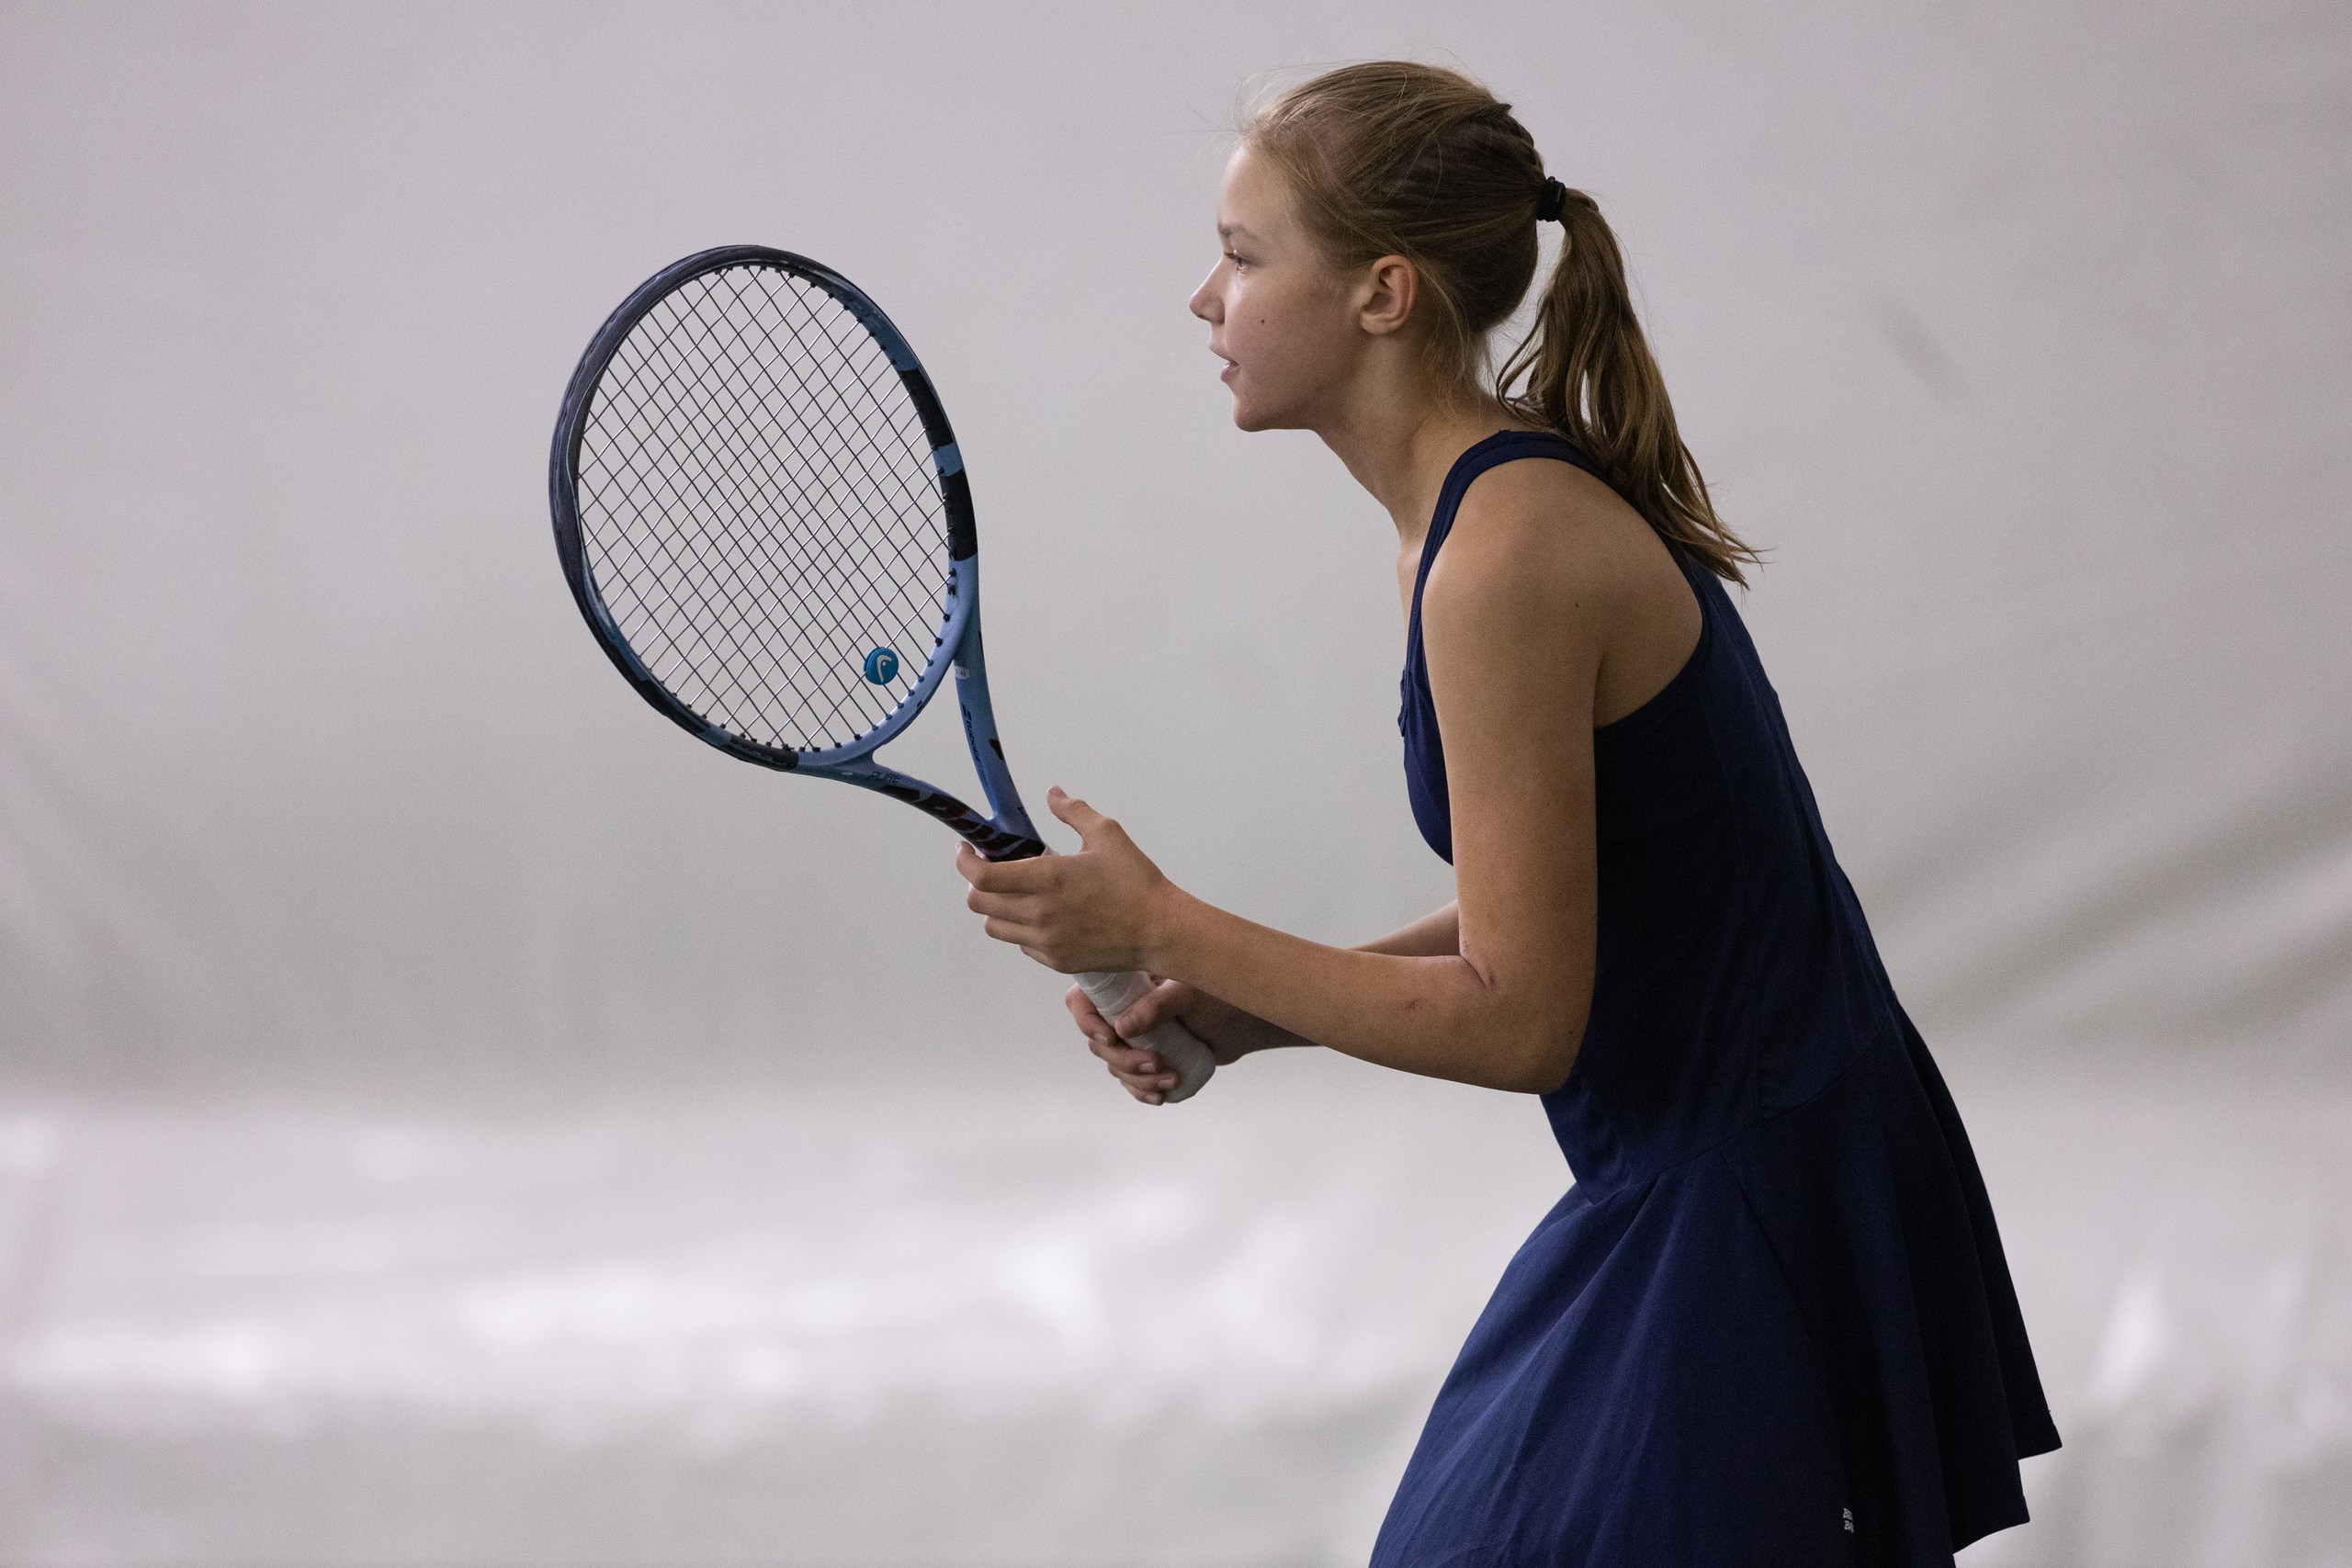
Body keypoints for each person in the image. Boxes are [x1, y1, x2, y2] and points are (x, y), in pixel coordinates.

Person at [955, 60, 2059, 1566]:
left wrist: (1168, 924)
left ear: (1383, 293)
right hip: (1750, 1163)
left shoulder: (1501, 556)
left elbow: (1522, 1020)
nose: (1203, 300)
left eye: (1243, 255)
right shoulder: (1470, 519)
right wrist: (1236, 1011)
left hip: (1754, 1191)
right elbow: (1559, 902)